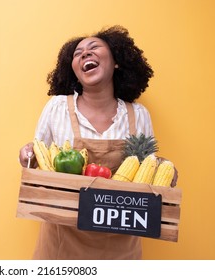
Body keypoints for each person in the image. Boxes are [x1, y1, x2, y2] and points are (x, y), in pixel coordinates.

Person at [18, 25, 177, 260]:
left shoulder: (138, 114)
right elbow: (38, 169)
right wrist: (27, 156)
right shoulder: (57, 107)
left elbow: (148, 173)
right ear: (73, 69)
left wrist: (167, 172)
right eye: (77, 53)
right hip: (62, 243)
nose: (85, 54)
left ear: (116, 61)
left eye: (94, 48)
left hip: (121, 245)